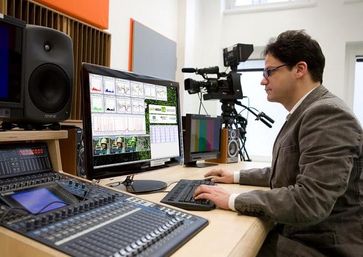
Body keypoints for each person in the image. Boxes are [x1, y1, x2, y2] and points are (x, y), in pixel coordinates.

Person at [194, 30, 363, 257]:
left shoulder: (327, 114)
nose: (263, 79)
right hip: (304, 233)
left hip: (321, 245)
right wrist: (235, 177)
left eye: (269, 71)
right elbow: (289, 171)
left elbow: (309, 200)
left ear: (300, 69)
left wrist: (234, 199)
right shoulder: (307, 111)